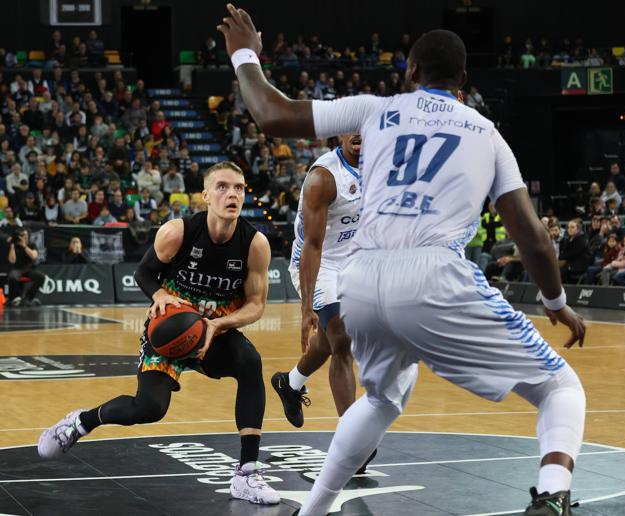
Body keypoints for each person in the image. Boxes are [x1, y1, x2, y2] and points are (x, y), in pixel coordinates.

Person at [218, 8, 586, 515]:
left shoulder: (375, 110)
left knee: (382, 400)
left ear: (410, 71)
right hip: (435, 274)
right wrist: (556, 301)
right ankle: (552, 496)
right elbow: (532, 236)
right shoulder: (486, 132)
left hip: (364, 281)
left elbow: (271, 113)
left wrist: (245, 51)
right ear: (463, 81)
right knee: (559, 387)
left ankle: (314, 509)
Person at [38, 161, 280, 506]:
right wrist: (160, 295)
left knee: (250, 362)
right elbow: (144, 273)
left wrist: (217, 325)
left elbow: (256, 305)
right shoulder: (177, 232)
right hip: (170, 327)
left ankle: (246, 473)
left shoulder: (255, 244)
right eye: (223, 187)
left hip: (214, 331)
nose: (232, 194)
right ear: (206, 195)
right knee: (149, 408)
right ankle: (80, 422)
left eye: (239, 188)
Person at [271, 134, 375, 471]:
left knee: (330, 342)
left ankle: (291, 383)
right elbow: (313, 246)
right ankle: (352, 443)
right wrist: (305, 310)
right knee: (341, 339)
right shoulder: (324, 178)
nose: (358, 133)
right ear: (339, 134)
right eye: (350, 127)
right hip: (319, 263)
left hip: (356, 260)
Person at [7, 227, 44, 307]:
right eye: (22, 235)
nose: (23, 237)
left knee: (41, 277)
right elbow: (12, 260)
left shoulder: (32, 245)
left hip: (29, 270)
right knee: (12, 276)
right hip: (17, 269)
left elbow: (33, 256)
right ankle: (16, 298)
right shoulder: (14, 246)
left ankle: (29, 297)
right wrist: (12, 247)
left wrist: (24, 246)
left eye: (25, 235)